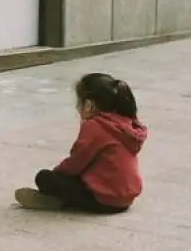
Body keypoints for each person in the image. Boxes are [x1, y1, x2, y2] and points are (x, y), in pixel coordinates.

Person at [14, 72, 147, 214]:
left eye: (79, 103)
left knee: (44, 178)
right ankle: (63, 198)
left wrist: (58, 175)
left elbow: (76, 162)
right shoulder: (127, 121)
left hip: (105, 200)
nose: (77, 108)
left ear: (89, 105)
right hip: (126, 199)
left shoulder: (95, 126)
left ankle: (59, 200)